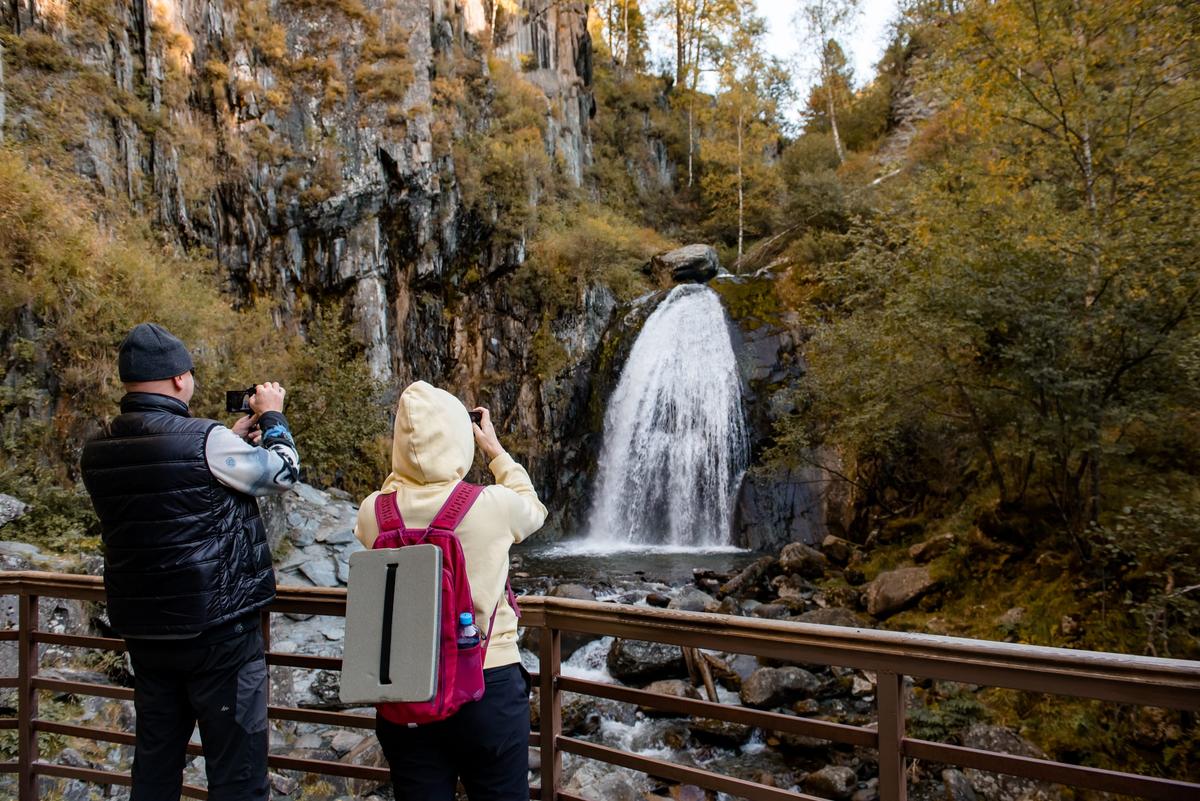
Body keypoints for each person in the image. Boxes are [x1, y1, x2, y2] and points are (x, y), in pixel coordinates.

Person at [80, 322, 300, 801]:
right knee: (238, 773)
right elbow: (283, 471)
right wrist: (274, 418)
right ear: (180, 378)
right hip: (218, 633)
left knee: (155, 768)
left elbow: (165, 488)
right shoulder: (206, 441)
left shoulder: (97, 447)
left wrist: (229, 439)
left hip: (145, 634)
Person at [354, 380, 547, 801]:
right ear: (459, 438)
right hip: (487, 682)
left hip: (406, 685)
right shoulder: (492, 505)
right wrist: (494, 450)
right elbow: (533, 507)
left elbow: (394, 490)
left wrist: (410, 463)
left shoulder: (373, 512)